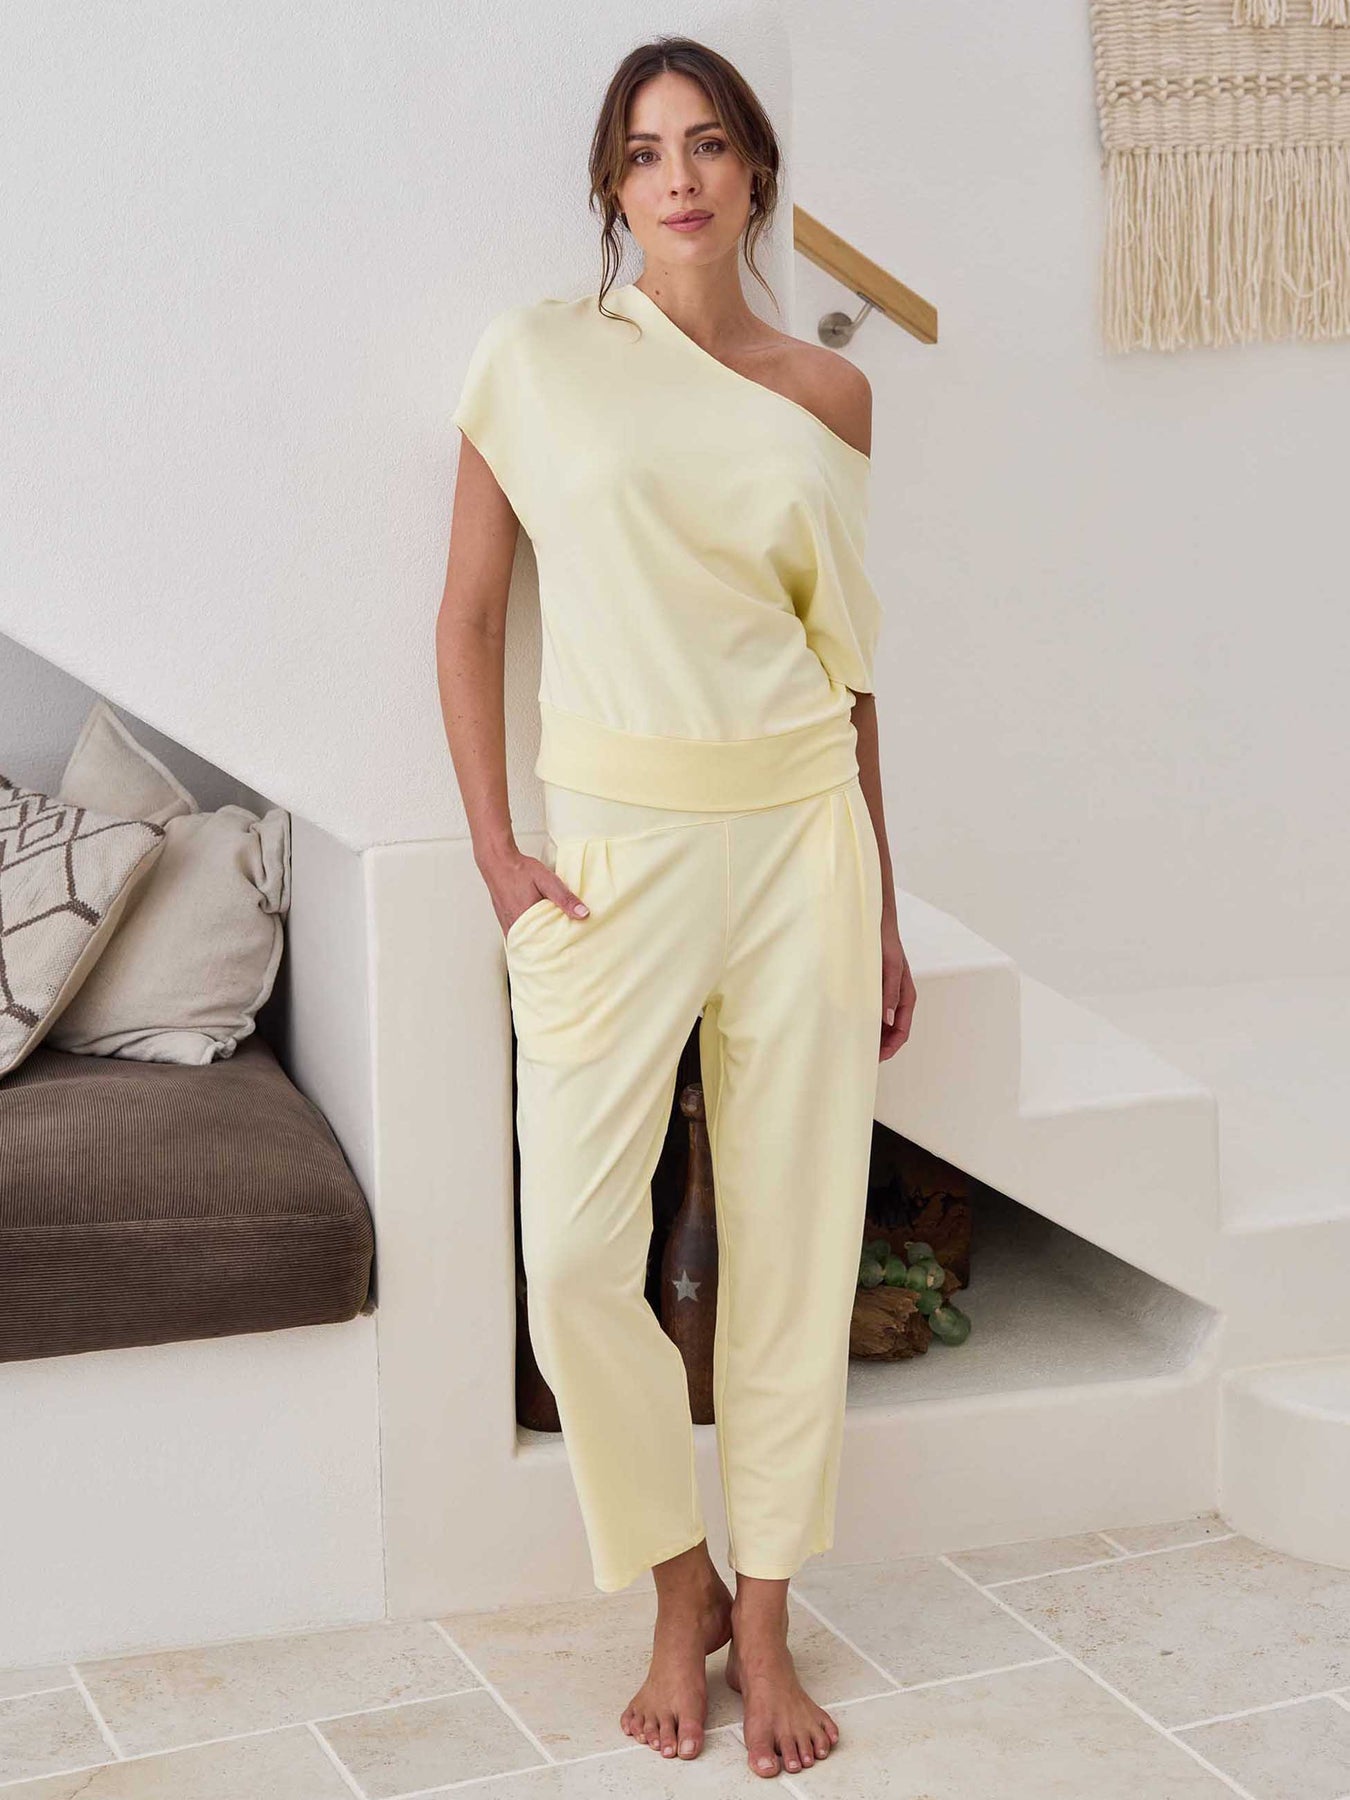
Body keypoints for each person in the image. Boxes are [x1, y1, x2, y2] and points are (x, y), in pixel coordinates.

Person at [436, 33, 915, 1784]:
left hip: (798, 842)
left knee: (792, 1249)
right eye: (644, 153)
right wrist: (496, 849)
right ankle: (675, 1584)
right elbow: (469, 615)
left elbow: (844, 667)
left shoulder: (826, 391)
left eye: (707, 144)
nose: (679, 178)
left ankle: (763, 1623)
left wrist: (880, 902)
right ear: (610, 187)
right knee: (574, 1258)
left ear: (752, 172)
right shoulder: (537, 361)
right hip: (611, 856)